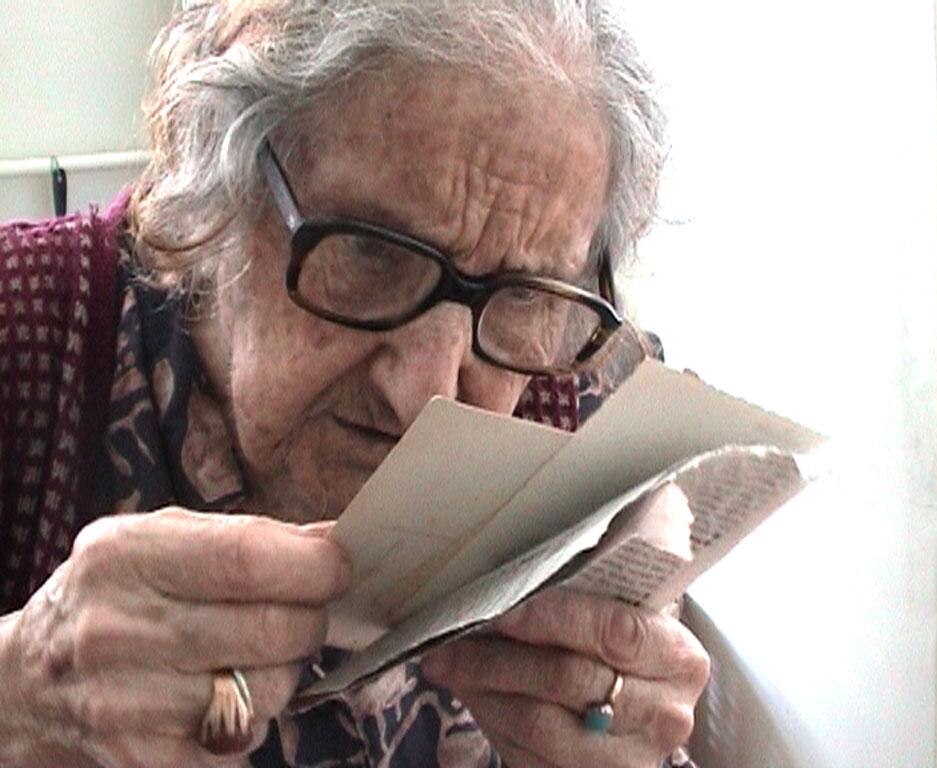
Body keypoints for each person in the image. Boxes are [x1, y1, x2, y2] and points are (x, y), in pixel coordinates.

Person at [0, 1, 710, 766]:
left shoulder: (562, 394)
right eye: (374, 254)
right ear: (222, 178)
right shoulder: (23, 328)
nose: (427, 393)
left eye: (522, 292)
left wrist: (623, 710)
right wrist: (19, 696)